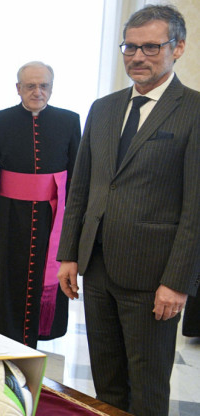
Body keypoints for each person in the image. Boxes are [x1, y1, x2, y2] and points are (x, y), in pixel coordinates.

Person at [56, 5, 200, 415]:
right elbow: (81, 188)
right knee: (107, 384)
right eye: (130, 47)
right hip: (98, 268)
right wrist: (68, 253)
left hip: (153, 276)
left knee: (148, 387)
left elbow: (196, 209)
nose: (137, 57)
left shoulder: (194, 111)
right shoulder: (103, 108)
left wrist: (177, 282)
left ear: (179, 48)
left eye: (151, 47)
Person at [0, 62, 80, 348]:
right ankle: (6, 336)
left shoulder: (69, 121)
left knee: (46, 273)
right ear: (18, 88)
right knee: (9, 276)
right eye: (30, 86)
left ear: (51, 87)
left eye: (43, 85)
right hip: (9, 214)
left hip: (52, 214)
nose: (37, 92)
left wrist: (73, 220)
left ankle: (41, 333)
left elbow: (77, 175)